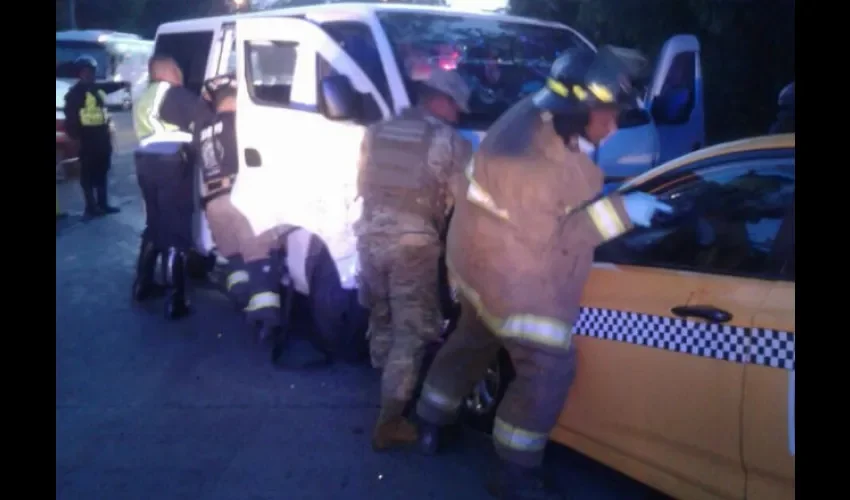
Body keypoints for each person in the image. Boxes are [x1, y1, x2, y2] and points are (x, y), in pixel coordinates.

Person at [412, 47, 673, 499]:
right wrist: (625, 211)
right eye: (609, 116)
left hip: (473, 259)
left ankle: (431, 419)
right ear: (579, 110)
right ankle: (514, 471)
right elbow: (560, 237)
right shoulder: (539, 168)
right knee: (549, 367)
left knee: (474, 336)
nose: (614, 127)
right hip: (510, 274)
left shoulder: (532, 115)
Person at [355, 68, 474, 451]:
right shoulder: (448, 140)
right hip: (413, 245)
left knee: (382, 319)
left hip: (369, 239)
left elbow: (362, 184)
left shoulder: (376, 132)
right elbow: (467, 203)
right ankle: (390, 422)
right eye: (456, 108)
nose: (458, 116)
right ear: (441, 100)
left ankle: (386, 392)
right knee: (413, 331)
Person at [131, 54, 212, 319]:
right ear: (169, 72)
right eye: (178, 70)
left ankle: (142, 285)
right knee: (176, 229)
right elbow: (207, 120)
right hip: (172, 165)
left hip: (146, 164)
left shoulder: (145, 96)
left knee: (155, 224)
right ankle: (176, 300)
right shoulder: (173, 94)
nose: (181, 76)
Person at [63, 55, 120, 220]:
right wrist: (76, 138)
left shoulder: (96, 89)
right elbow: (71, 118)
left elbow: (109, 87)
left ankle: (103, 203)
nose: (89, 74)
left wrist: (125, 84)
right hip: (86, 138)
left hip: (101, 136)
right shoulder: (74, 94)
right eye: (86, 71)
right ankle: (91, 207)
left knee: (102, 170)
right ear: (79, 73)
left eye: (91, 71)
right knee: (87, 174)